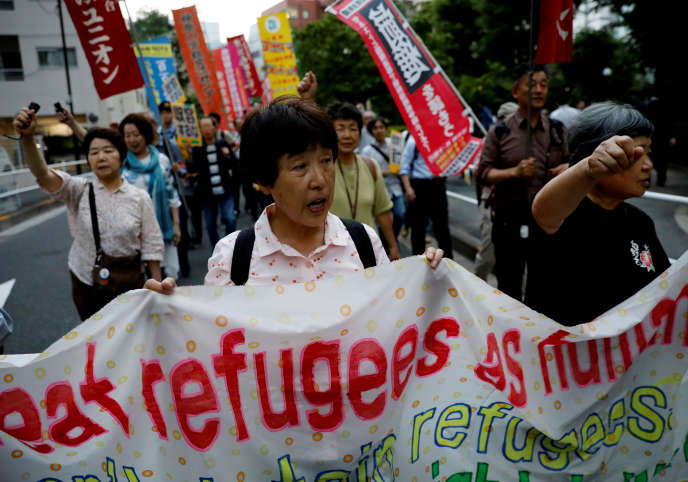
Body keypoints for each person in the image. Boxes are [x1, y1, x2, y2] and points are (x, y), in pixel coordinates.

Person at [144, 96, 444, 294]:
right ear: (263, 181)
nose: (320, 181)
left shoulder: (363, 241)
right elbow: (212, 344)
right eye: (300, 166)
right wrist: (170, 314)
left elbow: (393, 318)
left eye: (327, 161)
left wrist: (429, 280)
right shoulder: (235, 256)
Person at [526, 102, 670, 326]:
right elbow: (543, 210)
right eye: (637, 153)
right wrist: (588, 169)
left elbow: (665, 290)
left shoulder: (640, 223)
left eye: (649, 153)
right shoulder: (561, 212)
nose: (648, 165)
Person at [13, 107, 163, 320]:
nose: (101, 157)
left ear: (121, 157)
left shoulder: (139, 197)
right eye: (94, 152)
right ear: (89, 159)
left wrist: (155, 285)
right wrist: (27, 138)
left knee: (130, 338)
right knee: (94, 340)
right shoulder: (78, 189)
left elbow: (152, 245)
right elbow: (43, 174)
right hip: (86, 279)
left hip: (129, 281)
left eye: (108, 151)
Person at [475, 64, 568, 300]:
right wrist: (514, 172)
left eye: (543, 85)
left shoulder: (558, 130)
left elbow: (573, 166)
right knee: (509, 286)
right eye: (532, 84)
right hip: (508, 219)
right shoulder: (499, 131)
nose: (538, 90)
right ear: (516, 91)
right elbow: (483, 172)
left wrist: (567, 170)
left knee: (544, 286)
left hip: (548, 220)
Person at [326, 101, 401, 260]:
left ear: (360, 133)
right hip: (332, 256)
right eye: (340, 129)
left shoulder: (370, 166)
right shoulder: (322, 169)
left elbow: (382, 210)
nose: (347, 135)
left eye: (353, 128)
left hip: (369, 252)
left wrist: (393, 246)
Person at [119, 113, 181, 280]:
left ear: (145, 134)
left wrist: (176, 225)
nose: (132, 139)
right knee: (142, 281)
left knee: (169, 277)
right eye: (128, 135)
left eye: (136, 134)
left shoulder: (162, 161)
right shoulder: (121, 164)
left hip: (162, 228)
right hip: (132, 232)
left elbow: (171, 194)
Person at [474, 102, 518, 281]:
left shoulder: (522, 140)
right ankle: (474, 289)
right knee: (488, 251)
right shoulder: (490, 139)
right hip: (492, 204)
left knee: (515, 256)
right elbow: (478, 171)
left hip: (516, 205)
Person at [400, 134, 453, 258]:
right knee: (418, 229)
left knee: (442, 228)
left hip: (438, 185)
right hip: (419, 187)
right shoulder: (413, 140)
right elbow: (404, 168)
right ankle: (418, 262)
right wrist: (408, 189)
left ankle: (448, 263)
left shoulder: (442, 139)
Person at [191, 116, 239, 250]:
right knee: (210, 225)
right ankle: (218, 250)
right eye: (203, 127)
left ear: (214, 127)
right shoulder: (197, 149)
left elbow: (235, 164)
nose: (206, 129)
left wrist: (228, 155)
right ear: (200, 130)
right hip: (207, 193)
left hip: (225, 189)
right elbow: (194, 168)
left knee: (230, 218)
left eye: (208, 126)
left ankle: (231, 246)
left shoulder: (223, 143)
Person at [362, 116, 405, 241]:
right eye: (375, 128)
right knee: (379, 220)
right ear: (371, 131)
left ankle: (393, 239)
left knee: (400, 215)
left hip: (395, 186)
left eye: (381, 127)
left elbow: (403, 163)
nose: (379, 130)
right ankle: (382, 243)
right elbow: (365, 171)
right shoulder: (367, 150)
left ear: (385, 128)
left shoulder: (395, 144)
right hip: (378, 190)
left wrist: (398, 170)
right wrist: (383, 173)